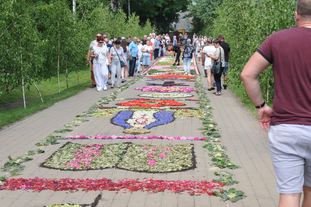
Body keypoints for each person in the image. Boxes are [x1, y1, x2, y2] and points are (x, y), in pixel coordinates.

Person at [241, 1, 311, 207]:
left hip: (286, 128)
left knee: (289, 193)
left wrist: (262, 106)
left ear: (296, 14)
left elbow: (247, 74)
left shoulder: (278, 39)